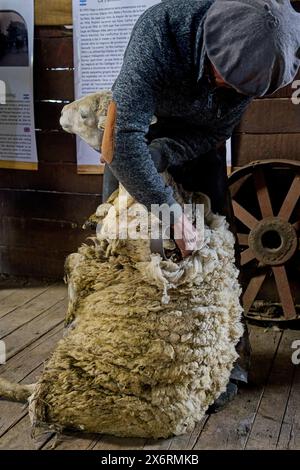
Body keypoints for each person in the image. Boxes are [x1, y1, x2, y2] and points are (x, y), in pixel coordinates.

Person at [101, 0, 300, 409]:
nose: (231, 91)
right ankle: (123, 358)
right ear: (212, 46)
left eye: (241, 90)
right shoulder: (160, 31)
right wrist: (168, 209)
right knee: (128, 249)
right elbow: (121, 141)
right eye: (225, 79)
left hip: (194, 140)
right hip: (135, 136)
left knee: (218, 249)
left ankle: (223, 361)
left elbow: (217, 132)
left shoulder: (265, 54)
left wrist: (171, 151)